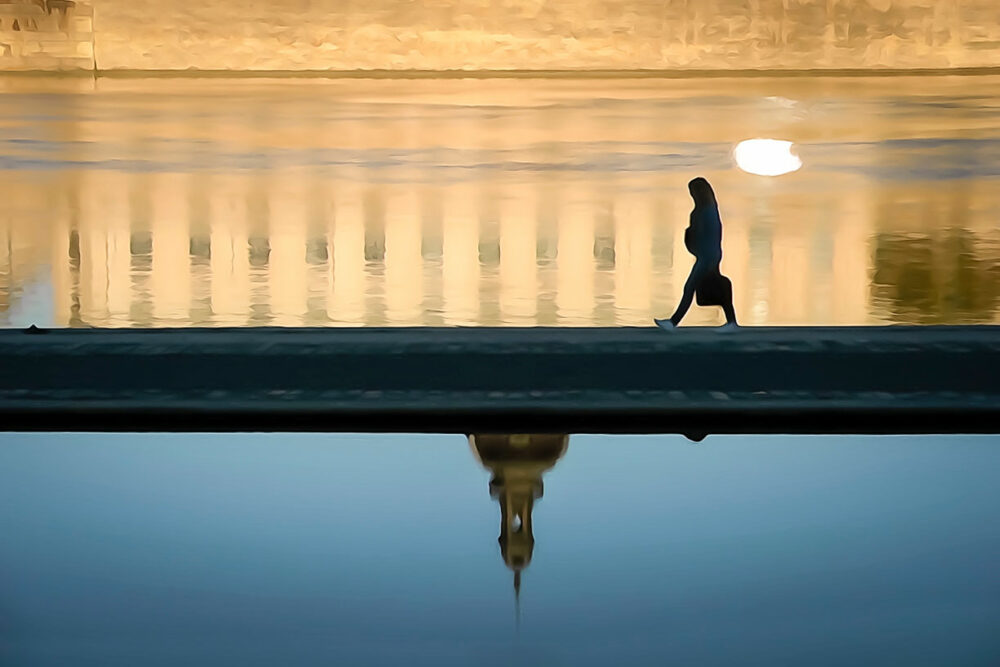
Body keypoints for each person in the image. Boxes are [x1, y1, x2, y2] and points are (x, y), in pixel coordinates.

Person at [655, 177, 738, 330]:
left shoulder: (701, 212)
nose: (692, 195)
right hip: (713, 254)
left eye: (692, 192)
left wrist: (690, 240)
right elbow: (715, 234)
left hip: (706, 256)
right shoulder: (712, 210)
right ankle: (731, 321)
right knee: (714, 286)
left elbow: (698, 236)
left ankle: (673, 322)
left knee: (690, 287)